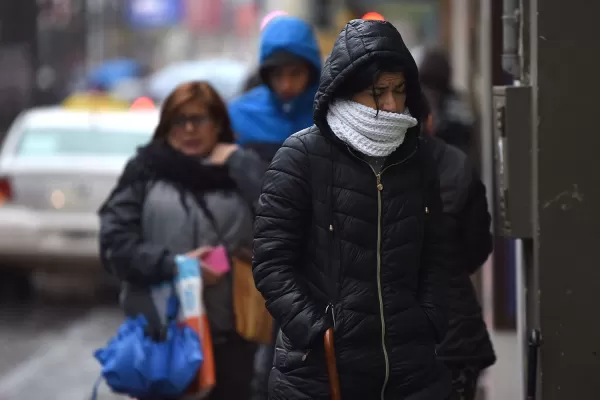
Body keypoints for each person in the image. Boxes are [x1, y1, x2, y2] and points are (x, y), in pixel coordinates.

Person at [252, 19, 451, 400]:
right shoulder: (301, 156)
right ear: (345, 91)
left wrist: (429, 320)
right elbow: (272, 262)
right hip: (318, 373)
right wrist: (317, 330)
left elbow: (437, 251)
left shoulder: (416, 155)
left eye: (399, 90)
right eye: (377, 93)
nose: (392, 105)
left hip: (409, 369)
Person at [98, 81, 265, 400]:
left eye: (199, 119)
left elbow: (281, 223)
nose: (189, 129)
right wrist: (176, 266)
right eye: (179, 120)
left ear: (217, 124)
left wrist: (242, 166)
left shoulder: (242, 171)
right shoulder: (144, 172)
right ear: (166, 126)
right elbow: (114, 245)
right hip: (163, 343)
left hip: (234, 343)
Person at [421, 94, 496, 400]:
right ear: (429, 120)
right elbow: (477, 246)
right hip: (457, 332)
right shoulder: (456, 164)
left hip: (400, 342)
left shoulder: (372, 170)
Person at [228, 15, 322, 163]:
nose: (286, 85)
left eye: (295, 73)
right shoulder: (240, 114)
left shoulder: (332, 115)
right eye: (277, 74)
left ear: (311, 72)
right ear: (266, 75)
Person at [419, 47, 475, 154]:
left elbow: (464, 138)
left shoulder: (455, 105)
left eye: (437, 83)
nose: (432, 91)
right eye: (427, 82)